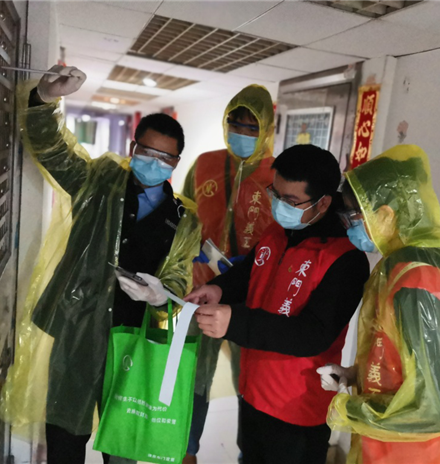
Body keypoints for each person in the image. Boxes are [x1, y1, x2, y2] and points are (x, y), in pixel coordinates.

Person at [1, 65, 201, 464]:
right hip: (79, 332)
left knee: (122, 442)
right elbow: (54, 151)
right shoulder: (99, 182)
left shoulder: (184, 220)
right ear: (133, 147)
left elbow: (179, 280)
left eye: (164, 157)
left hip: (135, 342)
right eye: (147, 152)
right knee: (64, 434)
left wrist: (159, 297)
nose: (154, 162)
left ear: (176, 162)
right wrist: (45, 99)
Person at [155, 144, 369, 464]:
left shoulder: (345, 259)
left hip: (296, 408)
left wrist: (235, 322)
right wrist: (218, 290)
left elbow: (313, 334)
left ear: (323, 202)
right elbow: (250, 272)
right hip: (254, 390)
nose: (279, 206)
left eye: (291, 201)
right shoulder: (280, 231)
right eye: (275, 194)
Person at [317, 145, 440, 464]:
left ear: (386, 215)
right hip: (388, 449)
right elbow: (404, 361)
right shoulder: (402, 267)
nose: (347, 226)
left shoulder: (418, 282)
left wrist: (348, 409)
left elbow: (435, 410)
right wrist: (354, 375)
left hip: (413, 455)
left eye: (352, 216)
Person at [181, 85, 275, 463]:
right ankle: (186, 451)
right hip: (202, 288)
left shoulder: (276, 174)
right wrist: (185, 260)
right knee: (193, 375)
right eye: (235, 124)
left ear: (266, 129)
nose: (242, 133)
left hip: (253, 298)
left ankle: (247, 455)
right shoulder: (205, 164)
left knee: (249, 380)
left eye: (252, 127)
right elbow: (185, 217)